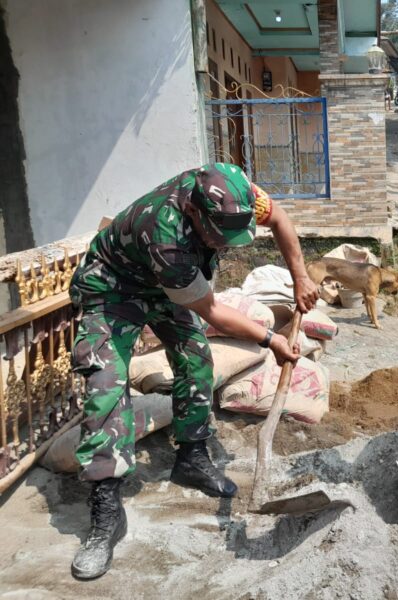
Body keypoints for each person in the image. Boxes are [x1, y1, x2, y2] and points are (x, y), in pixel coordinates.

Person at [68, 163, 319, 580]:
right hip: (113, 288)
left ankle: (192, 457)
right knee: (106, 384)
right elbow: (213, 310)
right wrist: (270, 339)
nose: (228, 244)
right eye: (220, 236)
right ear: (196, 214)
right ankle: (106, 510)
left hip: (166, 287)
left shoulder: (232, 193)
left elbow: (277, 217)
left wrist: (301, 276)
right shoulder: (165, 235)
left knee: (196, 360)